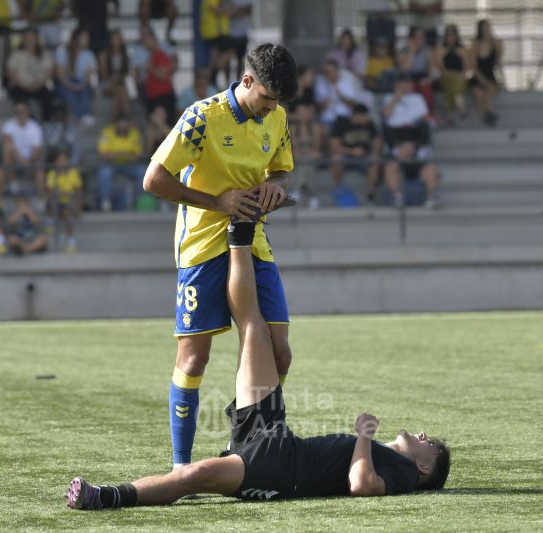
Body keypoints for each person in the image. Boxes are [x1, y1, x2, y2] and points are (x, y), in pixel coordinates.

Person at [66, 222, 451, 509]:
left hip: (281, 471)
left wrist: (364, 435)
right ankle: (239, 234)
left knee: (192, 476)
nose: (421, 434)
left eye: (428, 444)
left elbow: (362, 485)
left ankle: (106, 497)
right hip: (277, 436)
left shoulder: (401, 475)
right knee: (256, 329)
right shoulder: (401, 464)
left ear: (424, 469)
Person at [142, 43, 298, 469]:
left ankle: (246, 441)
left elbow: (281, 168)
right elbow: (153, 180)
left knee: (279, 351)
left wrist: (275, 185)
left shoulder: (277, 116)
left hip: (251, 240)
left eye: (277, 101)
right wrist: (219, 202)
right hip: (202, 245)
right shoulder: (202, 117)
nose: (271, 108)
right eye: (267, 98)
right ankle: (180, 465)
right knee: (195, 357)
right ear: (247, 81)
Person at [328, 104, 382, 202]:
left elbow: (377, 140)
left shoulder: (369, 124)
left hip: (364, 156)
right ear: (357, 115)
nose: (367, 118)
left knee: (375, 160)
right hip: (346, 156)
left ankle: (371, 192)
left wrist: (374, 152)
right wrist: (352, 152)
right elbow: (334, 145)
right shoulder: (342, 122)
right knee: (336, 159)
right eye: (365, 116)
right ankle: (339, 187)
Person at [97, 114, 145, 211]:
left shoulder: (135, 133)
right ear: (116, 125)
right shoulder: (107, 132)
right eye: (121, 125)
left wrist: (116, 153)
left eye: (125, 125)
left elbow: (137, 156)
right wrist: (124, 154)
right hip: (112, 164)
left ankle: (140, 200)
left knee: (142, 170)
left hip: (130, 165)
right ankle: (105, 201)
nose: (123, 128)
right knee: (104, 173)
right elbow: (103, 155)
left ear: (129, 125)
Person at [7, 28, 54, 121]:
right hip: (20, 87)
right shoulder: (16, 54)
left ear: (37, 40)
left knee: (48, 98)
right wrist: (24, 86)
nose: (29, 41)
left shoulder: (45, 54)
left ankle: (46, 122)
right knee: (19, 99)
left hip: (40, 86)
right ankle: (29, 122)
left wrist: (37, 85)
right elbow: (11, 73)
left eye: (32, 38)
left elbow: (49, 72)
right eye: (27, 38)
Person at [315, 59, 362, 150]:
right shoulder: (321, 84)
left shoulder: (346, 83)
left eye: (330, 71)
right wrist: (325, 102)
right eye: (326, 72)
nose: (328, 74)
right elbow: (318, 107)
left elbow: (353, 104)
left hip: (345, 118)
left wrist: (341, 96)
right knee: (323, 131)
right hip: (328, 119)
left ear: (336, 71)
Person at [55, 27, 97, 126]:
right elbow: (60, 75)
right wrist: (71, 85)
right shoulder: (62, 51)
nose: (87, 40)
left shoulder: (89, 54)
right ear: (76, 38)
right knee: (69, 93)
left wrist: (80, 86)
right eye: (84, 37)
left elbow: (88, 77)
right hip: (66, 83)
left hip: (82, 83)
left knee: (85, 92)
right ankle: (82, 115)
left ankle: (84, 115)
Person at [383, 139, 440, 208]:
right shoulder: (392, 161)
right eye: (406, 148)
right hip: (399, 194)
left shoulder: (419, 162)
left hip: (418, 192)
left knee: (431, 168)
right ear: (399, 149)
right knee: (390, 167)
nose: (409, 151)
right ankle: (397, 198)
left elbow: (435, 175)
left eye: (411, 148)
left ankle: (431, 198)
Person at [2, 101, 45, 192]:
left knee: (40, 166)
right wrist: (21, 159)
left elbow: (36, 149)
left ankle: (41, 196)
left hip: (31, 159)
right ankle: (13, 184)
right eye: (18, 112)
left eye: (22, 111)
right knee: (7, 151)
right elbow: (7, 143)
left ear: (28, 112)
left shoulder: (35, 127)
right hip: (15, 158)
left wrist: (29, 161)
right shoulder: (9, 125)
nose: (20, 114)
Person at [45, 149, 82, 253]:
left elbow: (77, 192)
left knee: (66, 212)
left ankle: (71, 242)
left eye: (64, 160)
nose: (62, 162)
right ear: (56, 162)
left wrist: (79, 207)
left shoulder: (73, 172)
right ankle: (50, 221)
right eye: (60, 160)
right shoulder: (52, 173)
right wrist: (64, 193)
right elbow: (51, 190)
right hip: (56, 202)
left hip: (69, 203)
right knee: (52, 200)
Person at [468, 19, 502, 127]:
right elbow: (473, 66)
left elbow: (498, 60)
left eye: (487, 27)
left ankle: (487, 114)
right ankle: (488, 115)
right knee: (478, 93)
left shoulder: (495, 43)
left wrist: (503, 78)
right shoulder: (475, 45)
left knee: (490, 89)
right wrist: (481, 78)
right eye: (483, 28)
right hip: (478, 75)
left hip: (490, 75)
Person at [382, 74, 430, 148]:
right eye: (405, 83)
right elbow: (386, 113)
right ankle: (395, 151)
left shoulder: (418, 97)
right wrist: (396, 99)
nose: (409, 85)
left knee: (425, 125)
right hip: (395, 129)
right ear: (398, 84)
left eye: (410, 83)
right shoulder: (388, 97)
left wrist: (412, 121)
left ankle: (422, 151)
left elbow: (425, 115)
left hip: (412, 128)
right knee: (385, 127)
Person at [141, 25, 177, 123]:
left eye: (146, 39)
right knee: (154, 129)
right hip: (153, 97)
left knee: (162, 128)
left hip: (162, 98)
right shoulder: (151, 56)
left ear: (153, 39)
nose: (145, 42)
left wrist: (150, 68)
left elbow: (163, 75)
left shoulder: (161, 55)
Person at [199, 0, 232, 87]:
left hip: (219, 33)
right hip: (214, 33)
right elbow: (214, 9)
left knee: (221, 58)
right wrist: (229, 11)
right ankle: (212, 78)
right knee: (219, 57)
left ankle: (214, 79)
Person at [98, 30, 130, 118]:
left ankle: (115, 119)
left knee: (119, 92)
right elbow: (103, 75)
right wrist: (113, 80)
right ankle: (126, 118)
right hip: (107, 83)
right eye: (114, 39)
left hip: (120, 84)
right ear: (110, 40)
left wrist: (118, 80)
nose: (116, 41)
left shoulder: (125, 54)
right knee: (121, 90)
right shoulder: (104, 54)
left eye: (118, 39)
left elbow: (126, 73)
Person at [288, 65, 318, 157]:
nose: (312, 79)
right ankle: (296, 151)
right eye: (310, 76)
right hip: (291, 122)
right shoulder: (289, 92)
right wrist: (298, 116)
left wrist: (304, 115)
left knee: (316, 127)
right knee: (292, 128)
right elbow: (283, 114)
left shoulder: (309, 92)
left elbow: (312, 112)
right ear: (301, 77)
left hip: (306, 122)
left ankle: (315, 150)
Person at [226, 0, 252, 80]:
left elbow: (249, 9)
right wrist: (240, 10)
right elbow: (226, 12)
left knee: (240, 60)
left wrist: (234, 10)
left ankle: (237, 80)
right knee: (227, 59)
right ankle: (227, 81)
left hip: (242, 34)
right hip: (229, 34)